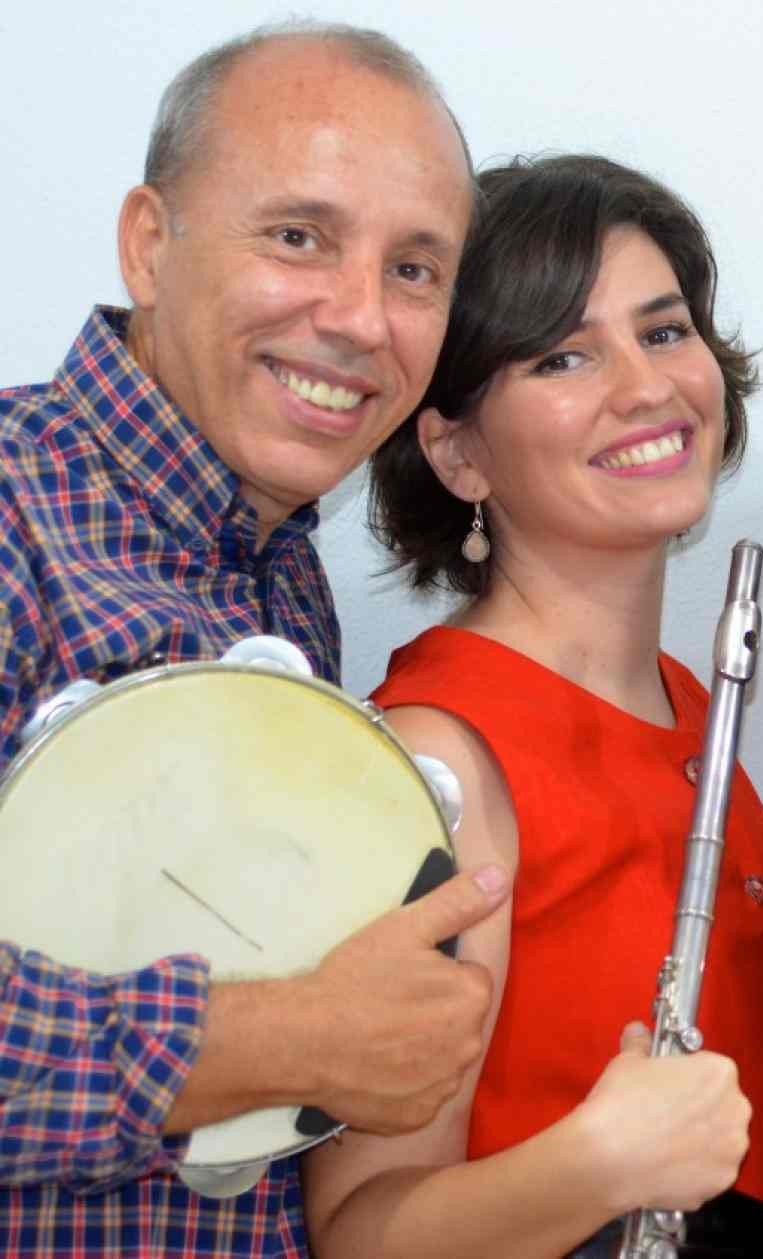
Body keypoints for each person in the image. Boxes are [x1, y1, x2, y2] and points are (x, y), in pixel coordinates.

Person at [0, 22, 508, 1259]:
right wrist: (291, 1040)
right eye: (298, 237)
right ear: (149, 244)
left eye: (414, 269)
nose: (360, 317)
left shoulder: (280, 574)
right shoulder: (13, 505)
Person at [300, 153, 763, 1258]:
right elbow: (359, 1228)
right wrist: (597, 1164)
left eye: (664, 330)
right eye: (564, 356)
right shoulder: (440, 759)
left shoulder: (690, 709)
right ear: (456, 451)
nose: (645, 387)